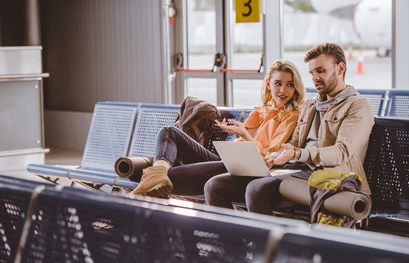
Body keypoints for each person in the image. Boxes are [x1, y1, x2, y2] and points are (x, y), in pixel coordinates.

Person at [205, 43, 374, 215]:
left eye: (320, 71)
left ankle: (265, 242)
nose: (315, 77)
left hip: (329, 174)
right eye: (312, 72)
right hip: (295, 170)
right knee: (216, 186)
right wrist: (273, 158)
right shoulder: (310, 106)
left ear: (340, 68)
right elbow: (293, 144)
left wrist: (299, 154)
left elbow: (341, 152)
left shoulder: (357, 106)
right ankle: (236, 241)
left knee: (256, 189)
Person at [129, 59, 306, 198]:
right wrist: (236, 137)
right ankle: (156, 174)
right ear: (268, 84)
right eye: (278, 83)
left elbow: (272, 154)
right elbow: (239, 146)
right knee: (169, 132)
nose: (283, 90)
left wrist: (244, 134)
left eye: (290, 84)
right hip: (228, 161)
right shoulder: (260, 112)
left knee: (164, 177)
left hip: (248, 169)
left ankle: (153, 176)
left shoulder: (292, 116)